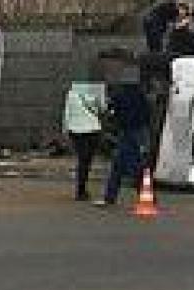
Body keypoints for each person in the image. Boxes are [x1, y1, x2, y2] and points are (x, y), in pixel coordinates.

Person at [93, 79, 151, 207]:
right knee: (127, 165)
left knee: (123, 166)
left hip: (127, 132)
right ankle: (142, 195)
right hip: (139, 131)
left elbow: (113, 113)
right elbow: (147, 114)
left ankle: (111, 197)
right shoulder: (140, 95)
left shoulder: (119, 95)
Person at [62, 81, 107, 201]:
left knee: (82, 160)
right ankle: (81, 189)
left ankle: (80, 190)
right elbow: (102, 109)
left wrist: (65, 129)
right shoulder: (97, 90)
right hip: (92, 129)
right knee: (87, 161)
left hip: (75, 130)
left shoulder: (72, 93)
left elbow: (67, 113)